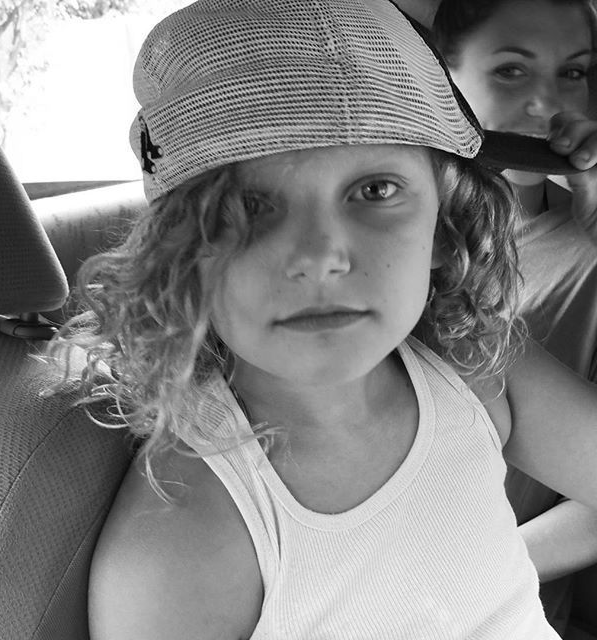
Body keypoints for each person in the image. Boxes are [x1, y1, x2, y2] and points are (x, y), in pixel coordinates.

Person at [48, 1, 597, 638]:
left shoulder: (477, 369)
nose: (319, 258)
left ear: (444, 230)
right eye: (250, 206)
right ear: (181, 256)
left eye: (375, 191)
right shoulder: (188, 532)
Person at [432, 1, 597, 635]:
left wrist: (479, 575)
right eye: (510, 72)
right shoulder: (392, 243)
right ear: (442, 78)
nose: (549, 106)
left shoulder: (585, 253)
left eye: (573, 73)